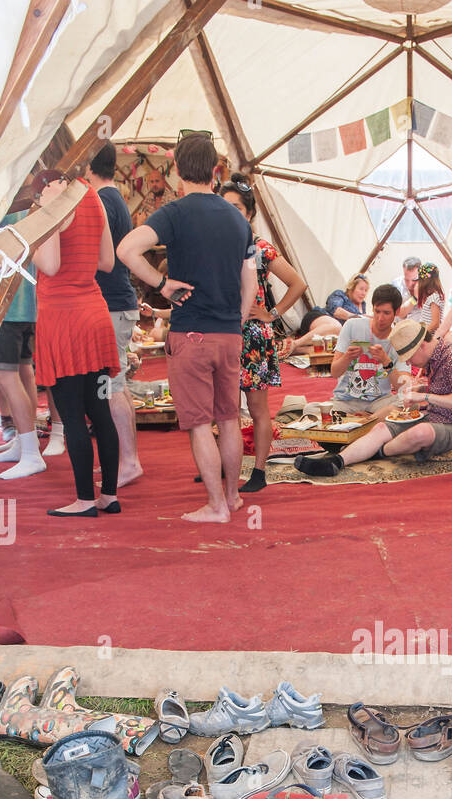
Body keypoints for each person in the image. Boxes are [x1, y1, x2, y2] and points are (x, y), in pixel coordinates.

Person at [117, 133, 258, 524]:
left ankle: (215, 506)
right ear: (215, 169)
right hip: (229, 333)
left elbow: (126, 249)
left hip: (191, 332)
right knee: (228, 418)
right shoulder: (237, 218)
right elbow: (250, 280)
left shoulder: (174, 214)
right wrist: (240, 317)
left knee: (199, 424)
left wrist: (161, 285)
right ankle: (231, 498)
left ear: (177, 168)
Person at [30, 170, 121, 516]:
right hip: (94, 317)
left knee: (71, 416)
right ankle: (109, 496)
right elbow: (106, 262)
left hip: (65, 322)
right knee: (100, 411)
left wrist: (37, 231)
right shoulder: (92, 196)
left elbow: (50, 264)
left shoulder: (49, 205)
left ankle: (85, 500)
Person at [293, 322, 452, 478]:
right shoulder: (434, 358)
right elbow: (445, 390)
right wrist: (419, 390)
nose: (410, 363)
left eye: (410, 357)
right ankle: (336, 462)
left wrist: (423, 396)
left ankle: (378, 452)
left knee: (421, 432)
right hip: (433, 416)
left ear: (421, 345)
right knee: (382, 426)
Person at [219, 176, 307, 495]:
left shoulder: (261, 247)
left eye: (238, 208)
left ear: (250, 213)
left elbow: (298, 283)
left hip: (254, 338)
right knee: (224, 407)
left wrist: (272, 313)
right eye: (225, 207)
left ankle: (258, 471)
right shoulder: (216, 245)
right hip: (224, 332)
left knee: (257, 408)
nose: (231, 213)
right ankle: (222, 466)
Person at [85, 140, 144, 487]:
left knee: (113, 385)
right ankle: (124, 457)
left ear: (87, 167)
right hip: (117, 302)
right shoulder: (114, 197)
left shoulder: (102, 200)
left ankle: (128, 461)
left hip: (112, 304)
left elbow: (99, 255)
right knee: (115, 384)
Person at [0, 210, 46, 479]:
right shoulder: (26, 206)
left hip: (4, 306)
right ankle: (24, 442)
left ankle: (31, 452)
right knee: (22, 372)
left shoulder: (0, 207)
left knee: (5, 375)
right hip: (25, 304)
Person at [330, 284, 407, 412]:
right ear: (372, 308)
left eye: (386, 313)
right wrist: (347, 357)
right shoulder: (352, 325)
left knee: (407, 404)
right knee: (311, 410)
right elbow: (335, 372)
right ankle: (372, 422)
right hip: (347, 401)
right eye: (377, 311)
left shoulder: (399, 340)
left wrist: (386, 362)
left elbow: (402, 387)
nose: (380, 318)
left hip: (380, 402)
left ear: (397, 311)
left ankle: (367, 422)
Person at [407, 263, 445, 332]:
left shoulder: (434, 297)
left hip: (431, 336)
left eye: (419, 281)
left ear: (425, 282)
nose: (418, 284)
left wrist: (421, 335)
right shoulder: (430, 297)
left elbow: (435, 323)